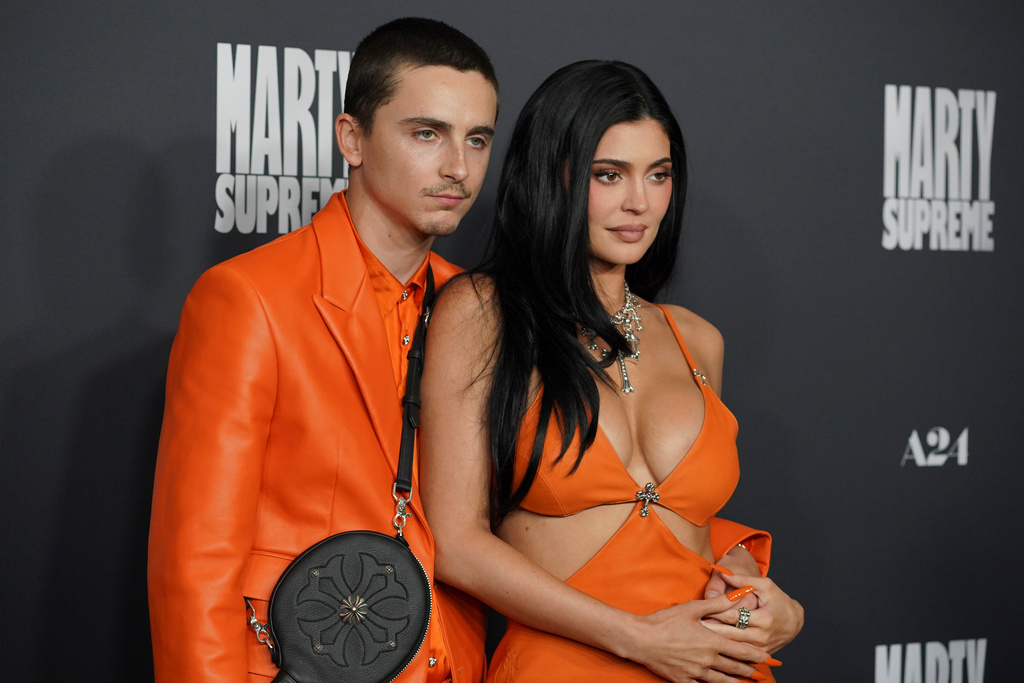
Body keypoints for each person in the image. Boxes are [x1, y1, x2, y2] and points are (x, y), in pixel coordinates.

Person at [419, 60, 803, 683]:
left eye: (659, 175)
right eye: (609, 175)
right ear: (555, 176)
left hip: (716, 667)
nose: (640, 203)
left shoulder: (698, 338)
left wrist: (773, 605)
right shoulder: (482, 313)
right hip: (566, 666)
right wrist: (640, 640)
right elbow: (457, 544)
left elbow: (688, 531)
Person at [148, 17, 498, 683]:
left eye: (476, 138)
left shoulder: (478, 311)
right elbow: (195, 561)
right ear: (352, 138)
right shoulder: (247, 297)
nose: (458, 166)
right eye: (427, 133)